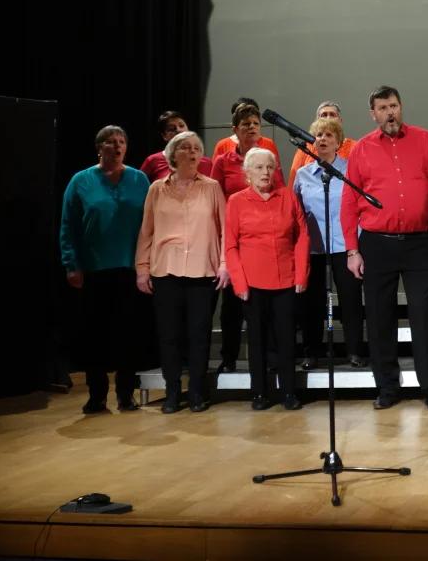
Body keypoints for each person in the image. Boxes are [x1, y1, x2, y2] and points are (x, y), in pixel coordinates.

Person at [341, 85, 428, 411]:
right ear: (373, 113)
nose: (389, 112)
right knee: (379, 319)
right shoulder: (361, 149)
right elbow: (349, 203)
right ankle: (387, 388)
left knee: (423, 317)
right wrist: (352, 249)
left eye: (393, 106)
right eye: (382, 107)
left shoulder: (426, 140)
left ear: (400, 107)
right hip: (376, 244)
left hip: (419, 244)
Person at [59, 125, 150, 414]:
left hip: (130, 267)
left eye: (122, 141)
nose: (117, 146)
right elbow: (68, 226)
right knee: (94, 335)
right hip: (94, 269)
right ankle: (97, 395)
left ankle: (126, 394)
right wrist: (71, 264)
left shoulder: (139, 179)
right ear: (99, 148)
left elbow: (151, 224)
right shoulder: (81, 181)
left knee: (128, 333)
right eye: (111, 142)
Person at [135, 132, 228, 413]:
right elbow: (146, 231)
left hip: (202, 270)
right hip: (165, 270)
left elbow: (225, 230)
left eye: (197, 149)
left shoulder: (212, 187)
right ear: (173, 154)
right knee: (169, 335)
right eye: (186, 148)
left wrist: (225, 264)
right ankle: (173, 391)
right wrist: (142, 269)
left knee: (199, 335)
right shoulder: (156, 189)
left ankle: (198, 392)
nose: (192, 153)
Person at [224, 149, 309, 410]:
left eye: (269, 167)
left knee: (285, 339)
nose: (265, 172)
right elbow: (230, 245)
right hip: (252, 283)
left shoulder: (288, 197)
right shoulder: (236, 202)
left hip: (285, 279)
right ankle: (259, 393)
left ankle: (289, 393)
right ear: (247, 173)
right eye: (259, 168)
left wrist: (301, 273)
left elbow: (302, 236)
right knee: (257, 340)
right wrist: (239, 283)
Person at [211, 103, 285, 373]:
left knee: (265, 304)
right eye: (245, 125)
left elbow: (281, 192)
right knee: (232, 304)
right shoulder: (223, 161)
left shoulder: (268, 157)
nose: (251, 128)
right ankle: (229, 358)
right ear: (235, 131)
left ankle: (271, 360)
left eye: (255, 123)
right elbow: (215, 198)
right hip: (235, 238)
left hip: (265, 239)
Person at [294, 118, 365, 370]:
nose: (322, 139)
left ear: (339, 142)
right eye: (318, 136)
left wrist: (355, 246)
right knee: (311, 303)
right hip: (313, 248)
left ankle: (355, 351)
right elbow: (297, 212)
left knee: (351, 301)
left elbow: (360, 209)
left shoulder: (350, 171)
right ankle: (311, 352)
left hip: (345, 247)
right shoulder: (303, 175)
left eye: (328, 135)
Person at [287, 101, 356, 188]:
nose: (328, 118)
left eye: (332, 115)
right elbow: (292, 183)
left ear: (340, 121)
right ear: (317, 122)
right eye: (324, 115)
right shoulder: (306, 148)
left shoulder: (355, 147)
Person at [139, 111, 212, 182]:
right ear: (164, 136)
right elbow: (140, 188)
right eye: (171, 129)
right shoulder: (152, 161)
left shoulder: (206, 163)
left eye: (181, 126)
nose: (179, 130)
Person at [212, 97, 281, 161]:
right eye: (246, 123)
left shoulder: (269, 144)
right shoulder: (222, 145)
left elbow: (276, 172)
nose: (251, 126)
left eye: (255, 123)